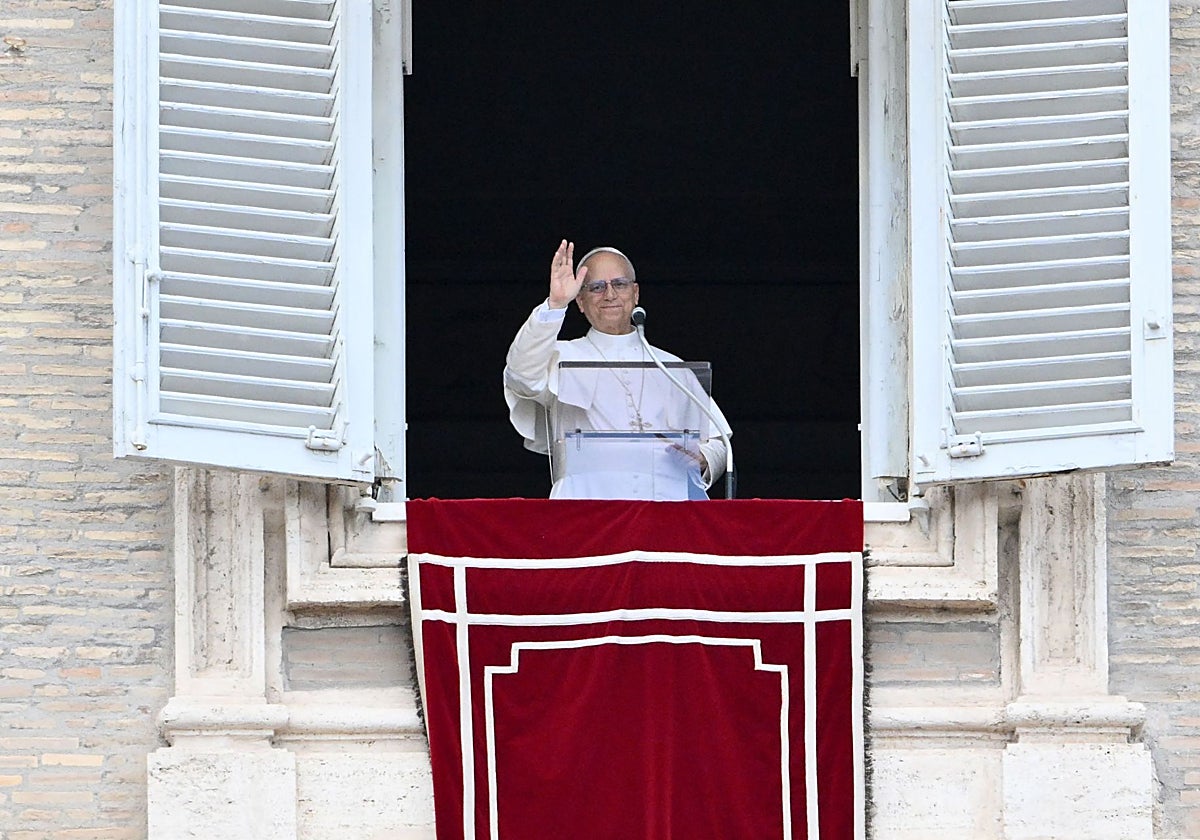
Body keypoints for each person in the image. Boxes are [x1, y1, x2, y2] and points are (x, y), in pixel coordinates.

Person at [504, 240, 731, 499]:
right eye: (596, 287)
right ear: (580, 301)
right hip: (586, 505)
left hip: (667, 506)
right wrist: (555, 305)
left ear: (635, 293)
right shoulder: (560, 357)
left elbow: (718, 441)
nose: (609, 295)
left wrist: (703, 458)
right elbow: (521, 376)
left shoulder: (671, 367)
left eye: (619, 284)